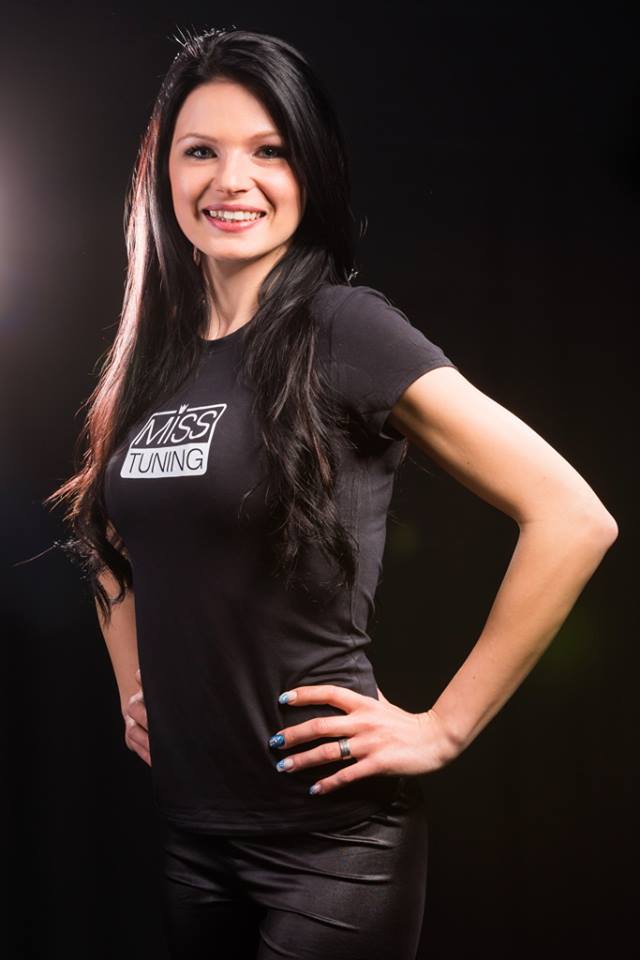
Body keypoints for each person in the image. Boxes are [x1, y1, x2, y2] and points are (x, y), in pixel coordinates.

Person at [47, 26, 618, 960]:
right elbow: (108, 534)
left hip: (331, 844)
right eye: (202, 151)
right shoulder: (153, 359)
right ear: (164, 176)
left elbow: (572, 515)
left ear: (308, 170)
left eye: (269, 151)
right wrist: (134, 692)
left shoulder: (343, 329)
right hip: (192, 834)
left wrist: (444, 728)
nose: (233, 180)